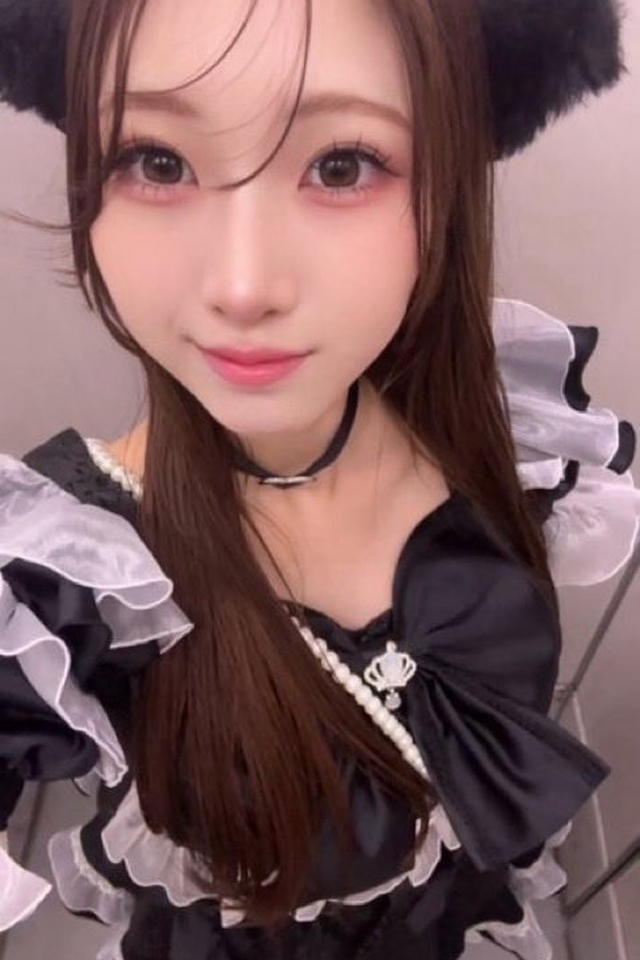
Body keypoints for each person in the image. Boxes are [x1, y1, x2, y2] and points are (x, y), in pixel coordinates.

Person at [1, 1, 639, 958]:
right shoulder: (67, 582)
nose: (244, 286)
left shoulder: (509, 434)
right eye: (157, 161)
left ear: (447, 184)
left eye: (341, 165)